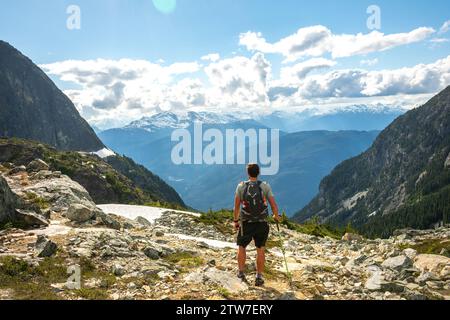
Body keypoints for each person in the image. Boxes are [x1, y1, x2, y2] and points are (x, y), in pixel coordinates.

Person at [233, 163, 280, 286]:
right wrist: (276, 216)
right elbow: (273, 205)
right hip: (262, 223)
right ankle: (259, 276)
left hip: (246, 223)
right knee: (260, 249)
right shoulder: (265, 186)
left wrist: (236, 221)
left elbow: (237, 206)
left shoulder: (241, 186)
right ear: (258, 172)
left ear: (248, 173)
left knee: (242, 247)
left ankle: (241, 273)